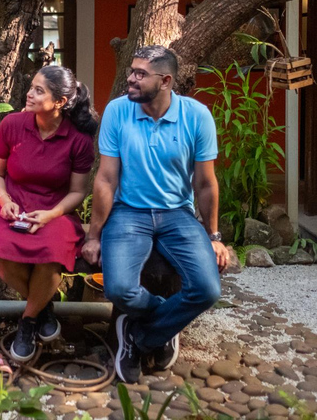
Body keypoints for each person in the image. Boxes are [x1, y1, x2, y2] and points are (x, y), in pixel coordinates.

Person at [81, 45, 229, 383]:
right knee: (118, 289)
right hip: (128, 214)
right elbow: (105, 178)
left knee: (207, 289)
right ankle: (162, 325)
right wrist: (94, 235)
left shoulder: (196, 116)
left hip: (177, 214)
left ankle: (141, 336)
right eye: (132, 71)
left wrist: (213, 236)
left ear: (165, 81)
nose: (130, 79)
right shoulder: (118, 112)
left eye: (139, 74)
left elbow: (205, 184)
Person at [0, 65, 98, 362]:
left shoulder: (78, 139)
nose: (28, 94)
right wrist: (4, 200)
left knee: (52, 253)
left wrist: (50, 214)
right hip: (11, 204)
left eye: (38, 90)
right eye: (31, 87)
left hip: (55, 210)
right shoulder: (12, 125)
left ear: (59, 102)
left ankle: (28, 322)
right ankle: (43, 309)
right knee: (4, 258)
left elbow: (77, 191)